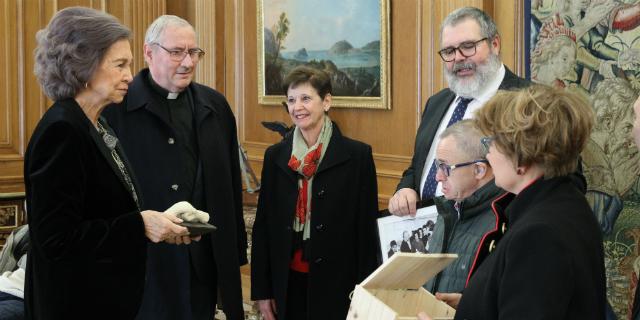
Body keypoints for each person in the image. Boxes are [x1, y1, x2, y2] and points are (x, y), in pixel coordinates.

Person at [25, 7, 190, 319]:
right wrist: (140, 225)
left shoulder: (96, 123)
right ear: (84, 67)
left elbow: (104, 211)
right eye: (120, 65)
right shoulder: (63, 131)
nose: (130, 75)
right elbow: (56, 241)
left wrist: (159, 223)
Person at [103, 15, 247, 320]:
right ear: (149, 52)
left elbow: (230, 186)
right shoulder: (115, 110)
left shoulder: (216, 106)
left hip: (201, 264)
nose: (187, 62)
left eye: (193, 52)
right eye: (176, 52)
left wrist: (232, 255)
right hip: (143, 265)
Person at [425, 85, 605, 319]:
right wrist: (475, 302)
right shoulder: (565, 202)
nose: (487, 153)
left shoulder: (539, 234)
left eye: (491, 142)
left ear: (521, 156)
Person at [251, 66, 379, 320]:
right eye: (291, 100)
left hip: (339, 286)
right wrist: (262, 291)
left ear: (327, 101)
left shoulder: (357, 157)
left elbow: (366, 234)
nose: (297, 107)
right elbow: (263, 226)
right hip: (287, 281)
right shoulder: (275, 157)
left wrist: (366, 294)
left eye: (306, 98)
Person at [388, 7, 530, 217]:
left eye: (468, 46)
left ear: (495, 44)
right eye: (449, 51)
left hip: (491, 241)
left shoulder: (531, 103)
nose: (459, 58)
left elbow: (560, 183)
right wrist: (405, 189)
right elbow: (417, 167)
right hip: (426, 235)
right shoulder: (436, 103)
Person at [423, 119, 502, 295]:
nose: (438, 177)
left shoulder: (503, 222)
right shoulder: (448, 208)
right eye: (437, 166)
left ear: (479, 170)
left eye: (445, 167)